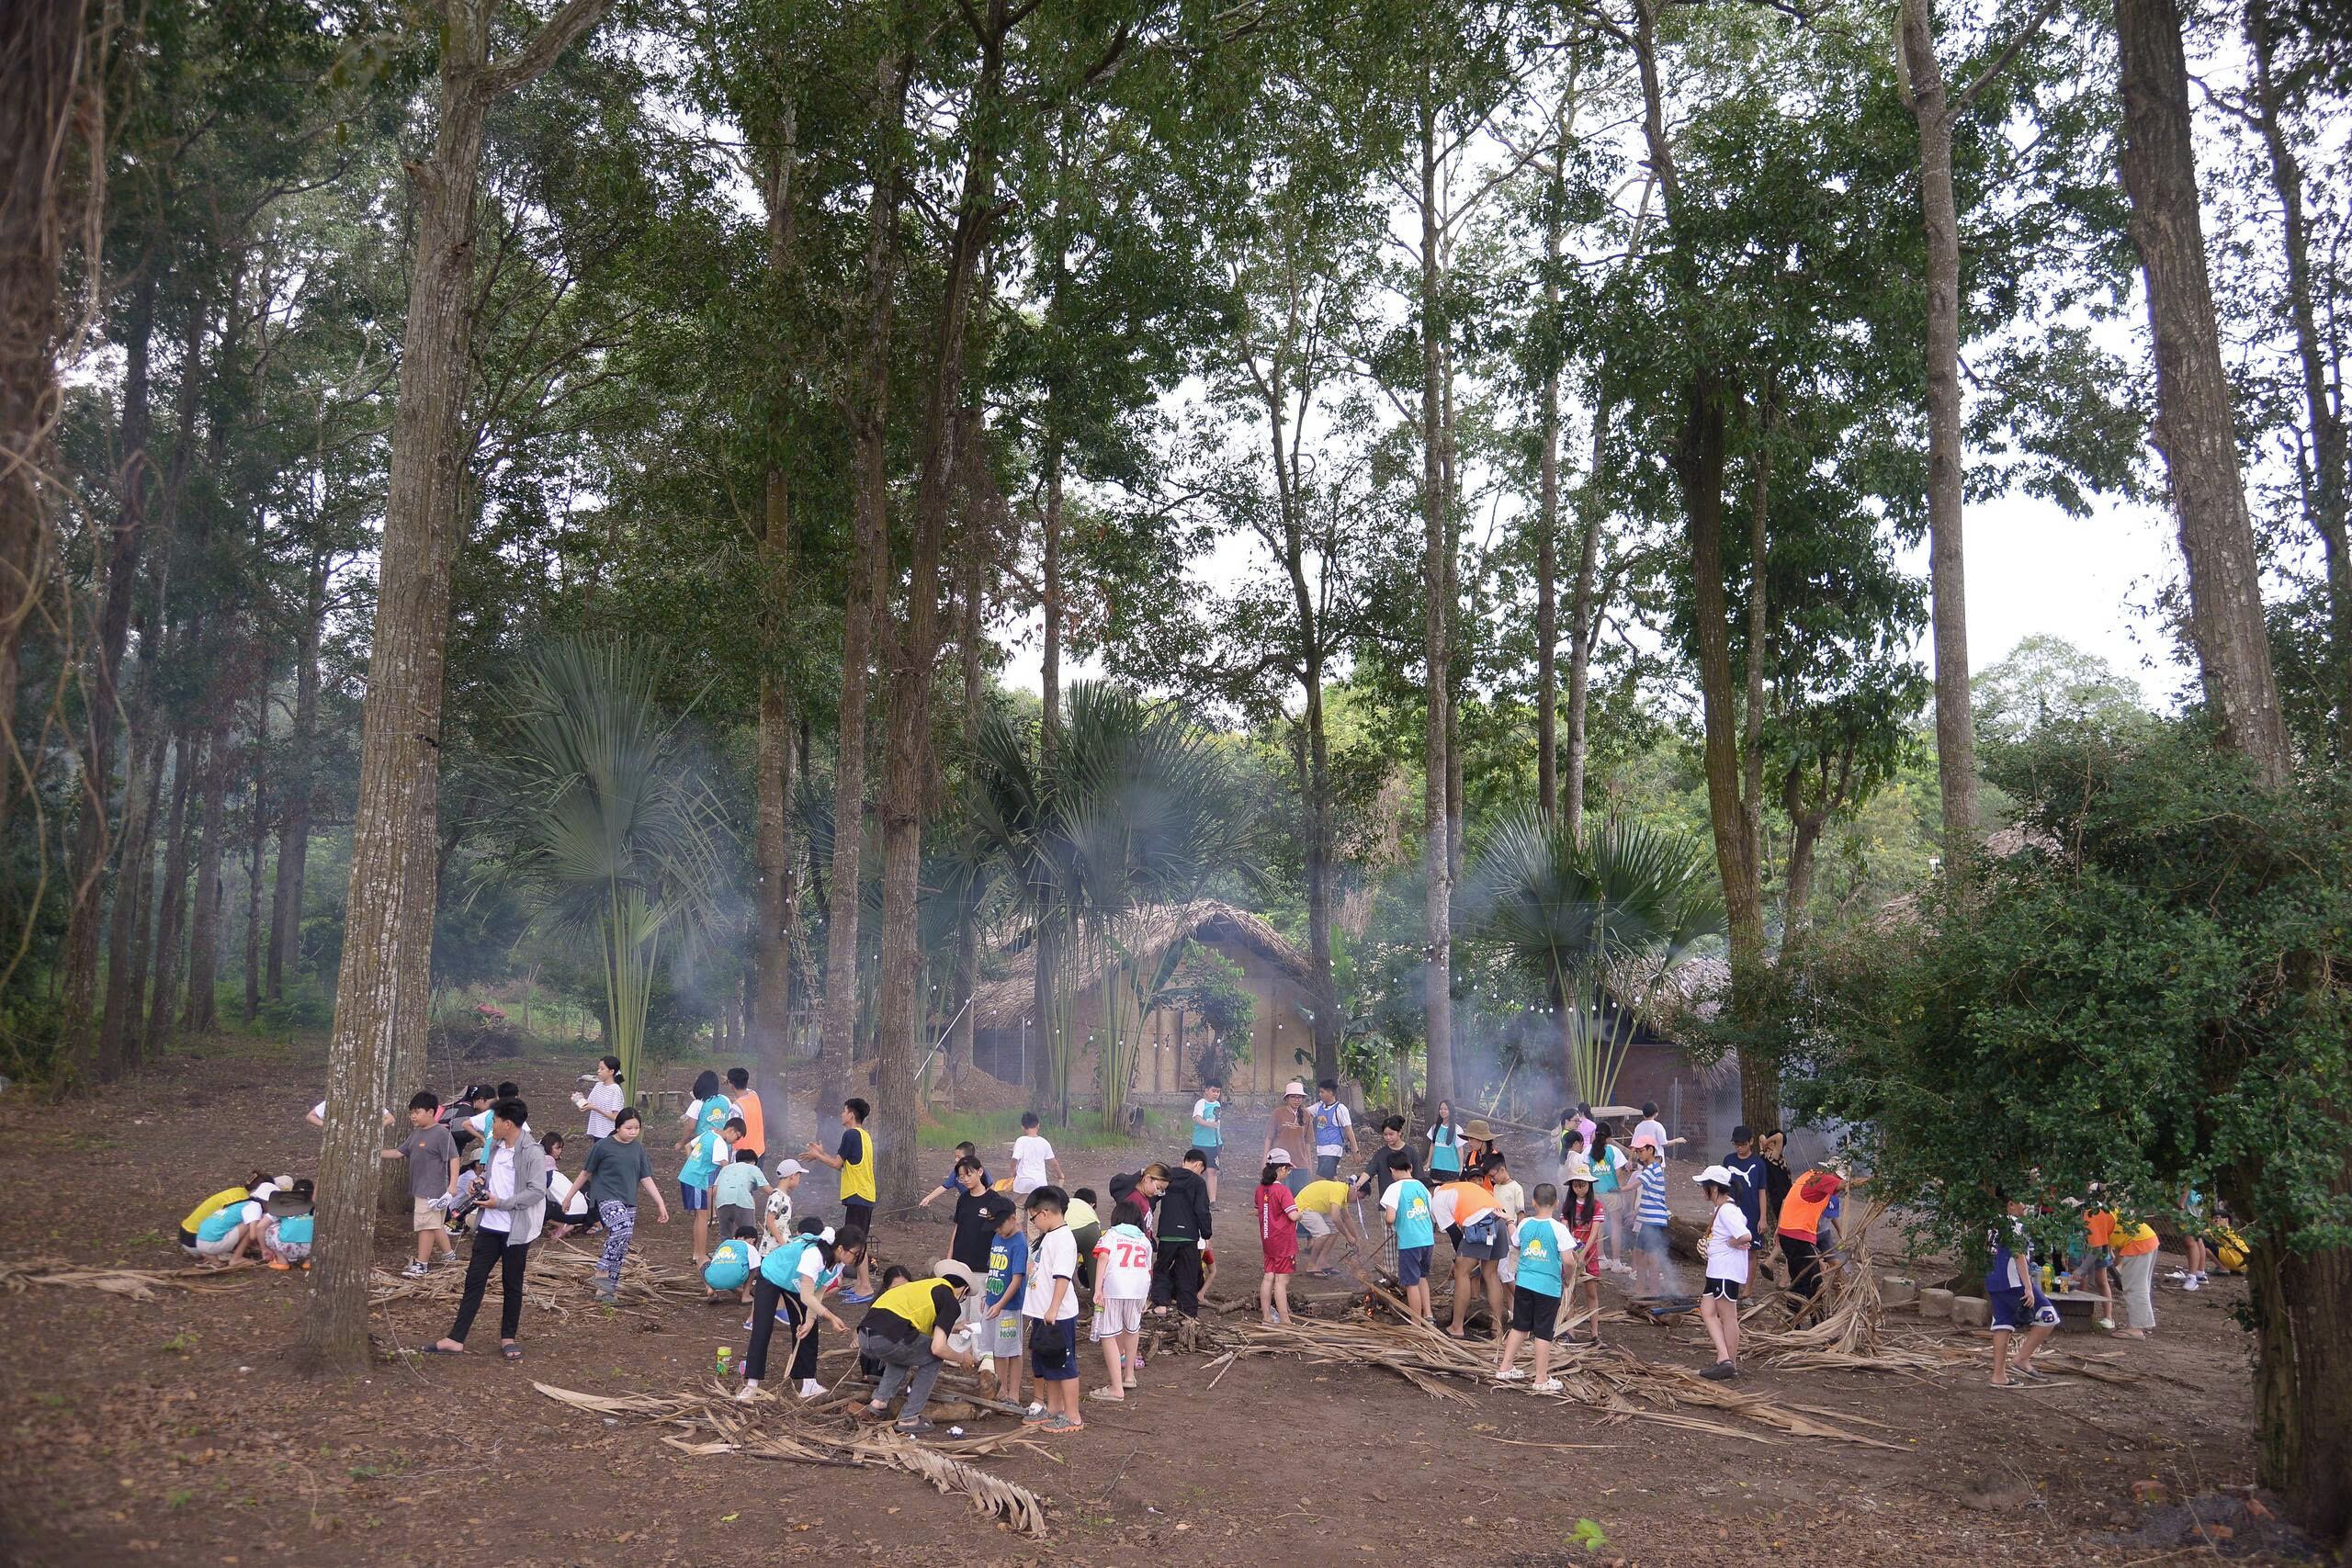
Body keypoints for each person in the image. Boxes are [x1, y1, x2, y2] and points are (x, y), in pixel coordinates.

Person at [426, 1099, 548, 1360]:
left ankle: (508, 1338)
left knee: (512, 1284)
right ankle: (456, 1338)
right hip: (489, 1227)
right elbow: (492, 1177)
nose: (491, 1126)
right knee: (474, 1280)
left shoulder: (532, 1152)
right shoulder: (493, 1146)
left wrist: (501, 1203)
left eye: (494, 1121)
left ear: (508, 1123)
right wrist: (480, 1182)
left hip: (516, 1231)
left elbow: (537, 1191)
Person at [738, 1219, 862, 1403]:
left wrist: (810, 1321)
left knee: (808, 1329)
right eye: (856, 1253)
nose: (857, 1259)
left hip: (796, 1283)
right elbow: (806, 1296)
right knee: (762, 1328)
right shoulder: (815, 1255)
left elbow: (817, 1293)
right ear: (842, 1249)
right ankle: (752, 1385)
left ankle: (808, 1383)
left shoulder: (838, 1265)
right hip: (774, 1273)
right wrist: (831, 1317)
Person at [855, 1260, 981, 1434]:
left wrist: (952, 1327)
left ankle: (879, 1402)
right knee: (934, 1356)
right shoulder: (949, 1299)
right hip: (890, 1337)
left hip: (865, 1335)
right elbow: (938, 1348)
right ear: (964, 1290)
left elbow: (915, 1321)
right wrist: (962, 1357)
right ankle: (909, 1417)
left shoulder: (925, 1287)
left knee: (906, 1351)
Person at [572, 1105, 669, 1304]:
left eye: (636, 1128)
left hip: (629, 1200)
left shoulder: (637, 1149)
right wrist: (568, 1198)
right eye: (628, 1128)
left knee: (622, 1244)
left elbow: (646, 1178)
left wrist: (661, 1203)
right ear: (618, 1127)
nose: (633, 1132)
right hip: (607, 1197)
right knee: (622, 1229)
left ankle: (607, 1292)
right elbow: (585, 1173)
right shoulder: (603, 1146)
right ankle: (601, 1269)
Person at [1496, 1182, 1575, 1392]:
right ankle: (1541, 1378)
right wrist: (1569, 1277)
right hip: (1548, 1287)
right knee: (1543, 1331)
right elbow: (1568, 1260)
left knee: (1520, 1326)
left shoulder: (1526, 1224)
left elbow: (1516, 1241)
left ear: (1533, 1202)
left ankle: (1505, 1367)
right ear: (1556, 1204)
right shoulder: (1559, 1229)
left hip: (1523, 1283)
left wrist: (1509, 1220)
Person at [1022, 1187, 1085, 1433]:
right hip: (1042, 1312)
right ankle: (1054, 1407)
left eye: (1033, 1217)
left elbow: (1062, 1278)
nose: (1034, 1223)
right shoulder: (1049, 1236)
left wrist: (1053, 1309)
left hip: (1057, 1314)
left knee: (1064, 1364)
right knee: (1047, 1362)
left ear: (1045, 1213)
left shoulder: (1064, 1239)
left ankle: (1073, 1415)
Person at [379, 1092, 461, 1276]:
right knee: (434, 1225)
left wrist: (453, 1185)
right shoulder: (416, 1133)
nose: (413, 1116)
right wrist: (374, 1152)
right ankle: (449, 1256)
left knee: (425, 1225)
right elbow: (399, 1152)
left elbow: (454, 1158)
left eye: (417, 1112)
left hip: (432, 1190)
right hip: (421, 1188)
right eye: (411, 1113)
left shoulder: (441, 1133)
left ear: (431, 1112)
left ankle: (422, 1264)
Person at [803, 1098, 877, 1300]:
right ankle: (862, 1284)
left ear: (852, 1114)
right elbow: (847, 1164)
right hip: (864, 1194)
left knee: (855, 1241)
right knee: (858, 1239)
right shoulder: (864, 1136)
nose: (842, 1114)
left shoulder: (851, 1134)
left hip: (858, 1194)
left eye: (844, 1110)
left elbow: (837, 1164)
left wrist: (818, 1156)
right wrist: (821, 1153)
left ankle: (865, 1286)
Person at [1987, 1190, 2061, 1385]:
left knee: (2003, 1324)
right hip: (2014, 1281)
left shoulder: (1991, 1224)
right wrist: (2029, 1287)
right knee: (2048, 1316)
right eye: (2022, 1202)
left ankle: (1998, 1376)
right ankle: (2022, 1358)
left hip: (1994, 1281)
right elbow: (2019, 1255)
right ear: (2010, 1204)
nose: (2026, 1206)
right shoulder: (2013, 1225)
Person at [1776, 1163, 1864, 1320]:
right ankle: (1817, 1324)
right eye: (1839, 1177)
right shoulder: (1825, 1179)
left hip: (1789, 1234)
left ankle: (1792, 1322)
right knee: (1814, 1282)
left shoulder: (1808, 1175)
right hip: (1798, 1236)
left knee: (1800, 1282)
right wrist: (1875, 1183)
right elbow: (1845, 1185)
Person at [1089, 1198, 1154, 1402]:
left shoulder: (1112, 1234)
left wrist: (1097, 1288)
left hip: (1116, 1285)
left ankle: (1116, 1388)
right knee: (1132, 1329)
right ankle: (1129, 1376)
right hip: (1139, 1286)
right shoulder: (1144, 1239)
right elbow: (1149, 1269)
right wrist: (1146, 1296)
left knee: (1108, 1334)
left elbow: (1103, 1258)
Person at [1693, 1164, 1752, 1380]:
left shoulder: (1727, 1210)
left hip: (1725, 1271)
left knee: (1728, 1316)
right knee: (1707, 1311)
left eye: (1705, 1186)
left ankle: (1728, 1361)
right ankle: (1724, 1358)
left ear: (1715, 1188)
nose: (1703, 1190)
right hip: (1717, 1270)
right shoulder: (1725, 1209)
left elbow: (1745, 1236)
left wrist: (1731, 1242)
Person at [1439, 1168, 1506, 1339]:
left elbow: (1454, 1234)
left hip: (1481, 1225)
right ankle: (1497, 1328)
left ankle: (1457, 1327)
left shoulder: (1437, 1199)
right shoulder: (1459, 1188)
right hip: (1498, 1220)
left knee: (1462, 1272)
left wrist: (1457, 1259)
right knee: (1491, 1274)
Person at [1148, 1151, 1214, 1319]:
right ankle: (1188, 1315)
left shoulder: (1167, 1177)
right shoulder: (1198, 1182)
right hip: (1189, 1237)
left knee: (1161, 1269)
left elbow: (1152, 1199)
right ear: (1199, 1165)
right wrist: (1206, 1234)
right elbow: (1202, 1210)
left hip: (1168, 1234)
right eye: (1202, 1170)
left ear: (1184, 1161)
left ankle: (1161, 1305)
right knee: (1188, 1275)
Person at [979, 1195, 1028, 1406]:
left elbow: (1017, 1279)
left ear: (1012, 1219)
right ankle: (1002, 1391)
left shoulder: (1019, 1243)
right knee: (998, 1349)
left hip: (1008, 1306)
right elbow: (993, 1269)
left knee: (1012, 1350)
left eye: (999, 1225)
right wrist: (987, 1296)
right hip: (993, 1301)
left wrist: (1000, 1304)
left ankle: (1014, 1394)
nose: (996, 1229)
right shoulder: (997, 1238)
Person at [1381, 1152, 1437, 1326]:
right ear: (1410, 1167)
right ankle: (1428, 1315)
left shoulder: (1394, 1188)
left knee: (1411, 1284)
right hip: (1427, 1240)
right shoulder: (1422, 1187)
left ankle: (1416, 1324)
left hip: (1410, 1243)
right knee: (1421, 1277)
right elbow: (1430, 1213)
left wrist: (1392, 1223)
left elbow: (1390, 1217)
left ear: (1392, 1170)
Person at [677, 1105, 729, 1269]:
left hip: (687, 1176)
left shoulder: (708, 1133)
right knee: (703, 1217)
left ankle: (696, 1252)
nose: (734, 1142)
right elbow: (726, 1168)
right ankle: (700, 1256)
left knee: (698, 1216)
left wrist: (692, 1163)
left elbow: (688, 1146)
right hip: (698, 1180)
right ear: (732, 1131)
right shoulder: (720, 1143)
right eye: (737, 1137)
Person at [2098, 1207, 2161, 1339]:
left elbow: (2097, 1246)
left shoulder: (2092, 1216)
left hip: (2138, 1243)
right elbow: (2116, 1236)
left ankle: (2136, 1329)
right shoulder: (2104, 1210)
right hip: (2146, 1238)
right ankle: (2142, 1323)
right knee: (2140, 1285)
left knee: (2135, 1287)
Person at [1255, 1151, 1302, 1325]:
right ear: (1281, 1168)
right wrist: (1301, 1213)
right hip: (1283, 1242)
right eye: (1288, 1170)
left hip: (1268, 1240)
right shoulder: (1283, 1190)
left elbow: (1258, 1210)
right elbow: (1293, 1216)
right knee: (1282, 1280)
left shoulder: (1260, 1189)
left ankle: (1266, 1317)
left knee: (1268, 1277)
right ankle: (1285, 1319)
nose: (1288, 1173)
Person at [1562, 1157, 1605, 1344]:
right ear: (1571, 1186)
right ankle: (1570, 1331)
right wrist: (1572, 1252)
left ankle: (1594, 1333)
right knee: (1569, 1292)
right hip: (1571, 1254)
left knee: (1591, 1293)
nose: (1580, 1188)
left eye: (1583, 1185)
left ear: (1590, 1185)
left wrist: (1583, 1253)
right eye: (1576, 1185)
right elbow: (1564, 1229)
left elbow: (1594, 1233)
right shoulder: (1567, 1206)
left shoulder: (1597, 1206)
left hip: (1589, 1256)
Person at [179, 1172, 269, 1256]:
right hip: (197, 1241)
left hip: (185, 1234)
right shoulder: (249, 1202)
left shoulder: (237, 1192)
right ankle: (235, 1254)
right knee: (253, 1220)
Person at [1630, 1135, 1672, 1298]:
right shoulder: (1652, 1168)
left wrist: (1620, 1189)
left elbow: (1636, 1184)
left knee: (1652, 1255)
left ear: (1650, 1150)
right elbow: (1650, 1194)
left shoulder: (1653, 1168)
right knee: (1640, 1252)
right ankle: (1639, 1290)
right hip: (1647, 1219)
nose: (1638, 1153)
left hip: (1654, 1220)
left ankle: (1653, 1292)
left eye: (1641, 1151)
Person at [1588, 1123, 1631, 1274]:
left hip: (1595, 1194)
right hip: (1612, 1193)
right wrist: (1623, 1193)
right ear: (1610, 1137)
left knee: (1598, 1226)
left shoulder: (1588, 1151)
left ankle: (1601, 1259)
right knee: (1616, 1227)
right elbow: (1619, 1174)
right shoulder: (1614, 1151)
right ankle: (1616, 1262)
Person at [1294, 1174, 1356, 1274]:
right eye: (1359, 1197)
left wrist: (1355, 1239)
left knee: (1334, 1230)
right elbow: (1335, 1218)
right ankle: (1311, 1266)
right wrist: (1348, 1236)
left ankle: (1321, 1262)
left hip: (1317, 1208)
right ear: (1355, 1190)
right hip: (1304, 1207)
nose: (1357, 1201)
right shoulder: (1340, 1190)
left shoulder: (1344, 1192)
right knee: (1323, 1234)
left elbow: (1347, 1218)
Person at [711, 1141, 770, 1247]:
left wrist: (715, 1207)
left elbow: (715, 1189)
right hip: (742, 1202)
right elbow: (767, 1189)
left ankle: (726, 1258)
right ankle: (750, 1261)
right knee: (749, 1235)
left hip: (722, 1202)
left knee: (726, 1236)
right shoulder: (753, 1168)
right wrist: (781, 1196)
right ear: (753, 1162)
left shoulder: (726, 1168)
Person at [945, 1156, 998, 1273]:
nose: (966, 1180)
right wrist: (950, 1255)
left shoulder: (993, 1199)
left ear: (980, 1172)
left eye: (969, 1175)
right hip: (960, 1259)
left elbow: (999, 1231)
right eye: (962, 1177)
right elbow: (958, 1227)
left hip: (982, 1261)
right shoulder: (963, 1199)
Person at [259, 1182, 316, 1270]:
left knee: (271, 1228)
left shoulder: (280, 1206)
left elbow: (260, 1226)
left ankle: (282, 1261)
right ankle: (309, 1261)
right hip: (312, 1247)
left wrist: (264, 1249)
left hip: (287, 1248)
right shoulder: (318, 1207)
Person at [916, 1142, 989, 1207]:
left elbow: (990, 1186)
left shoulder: (979, 1171)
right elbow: (943, 1187)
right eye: (955, 1157)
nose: (956, 1160)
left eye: (959, 1157)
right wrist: (928, 1198)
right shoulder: (956, 1173)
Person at [1309, 1080, 1356, 1180]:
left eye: (1322, 1092)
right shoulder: (1318, 1106)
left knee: (1319, 1178)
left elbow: (1349, 1130)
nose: (1320, 1094)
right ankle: (1342, 1195)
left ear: (1331, 1093)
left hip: (1332, 1149)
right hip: (1321, 1148)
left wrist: (1355, 1151)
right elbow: (1305, 1112)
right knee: (1331, 1177)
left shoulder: (1340, 1109)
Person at [571, 1055, 627, 1141]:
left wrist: (596, 1108)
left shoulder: (615, 1090)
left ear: (611, 1071)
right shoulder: (598, 1086)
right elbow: (586, 1107)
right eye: (598, 1068)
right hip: (596, 1132)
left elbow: (615, 1117)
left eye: (602, 1069)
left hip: (609, 1134)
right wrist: (579, 1100)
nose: (598, 1071)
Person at [1012, 1112, 1065, 1197]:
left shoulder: (1020, 1141)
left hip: (1023, 1181)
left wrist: (1012, 1173)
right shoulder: (1044, 1143)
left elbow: (1014, 1159)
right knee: (1038, 1205)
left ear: (1022, 1127)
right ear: (1038, 1126)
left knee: (1018, 1204)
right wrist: (1060, 1175)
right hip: (1040, 1182)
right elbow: (1054, 1163)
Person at [705, 1224, 762, 1303]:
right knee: (753, 1266)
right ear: (753, 1241)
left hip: (713, 1279)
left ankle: (710, 1288)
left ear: (734, 1238)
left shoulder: (726, 1243)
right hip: (736, 1276)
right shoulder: (750, 1247)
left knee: (702, 1259)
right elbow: (756, 1265)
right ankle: (746, 1295)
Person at [1190, 1082, 1225, 1201]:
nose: (1216, 1094)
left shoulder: (1218, 1104)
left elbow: (1218, 1125)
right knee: (1196, 1170)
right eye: (1214, 1091)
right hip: (1200, 1144)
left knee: (1212, 1171)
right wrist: (1210, 1125)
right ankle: (1194, 1198)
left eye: (1218, 1092)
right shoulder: (1201, 1104)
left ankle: (1212, 1200)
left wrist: (1220, 1142)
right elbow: (1197, 1118)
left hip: (1214, 1144)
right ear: (1206, 1090)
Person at [1263, 1081, 1311, 1168]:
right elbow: (1269, 1138)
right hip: (1280, 1162)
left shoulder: (1306, 1115)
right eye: (1293, 1097)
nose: (1296, 1100)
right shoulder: (1278, 1113)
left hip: (1300, 1163)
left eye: (1299, 1097)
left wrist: (1309, 1164)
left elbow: (1307, 1142)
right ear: (1287, 1098)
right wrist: (1265, 1160)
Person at [763, 1158, 806, 1247]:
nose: (799, 1180)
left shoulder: (784, 1197)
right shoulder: (776, 1196)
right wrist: (783, 1243)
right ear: (793, 1176)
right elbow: (770, 1222)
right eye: (799, 1177)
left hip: (780, 1248)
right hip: (772, 1250)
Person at [725, 1066, 765, 1157]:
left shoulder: (736, 1108)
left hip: (743, 1157)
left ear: (731, 1085)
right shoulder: (754, 1095)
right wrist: (730, 1081)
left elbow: (730, 1137)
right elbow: (746, 1089)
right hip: (759, 1151)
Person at [1427, 1100, 1464, 1179]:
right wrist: (1428, 1163)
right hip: (1436, 1167)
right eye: (1441, 1109)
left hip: (1452, 1169)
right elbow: (1432, 1145)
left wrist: (1461, 1167)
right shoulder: (1434, 1127)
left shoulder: (1457, 1129)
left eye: (1445, 1109)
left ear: (1451, 1111)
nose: (1443, 1111)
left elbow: (1460, 1149)